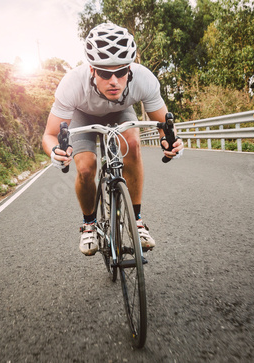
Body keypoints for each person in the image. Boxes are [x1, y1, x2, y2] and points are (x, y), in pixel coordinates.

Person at [42, 23, 183, 256]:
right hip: (82, 116)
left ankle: (137, 221)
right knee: (86, 168)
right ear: (91, 70)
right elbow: (49, 134)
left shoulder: (144, 79)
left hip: (121, 113)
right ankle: (89, 224)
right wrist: (54, 152)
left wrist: (172, 142)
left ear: (130, 69)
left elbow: (164, 126)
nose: (115, 81)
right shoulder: (72, 84)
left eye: (122, 72)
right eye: (105, 73)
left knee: (134, 146)